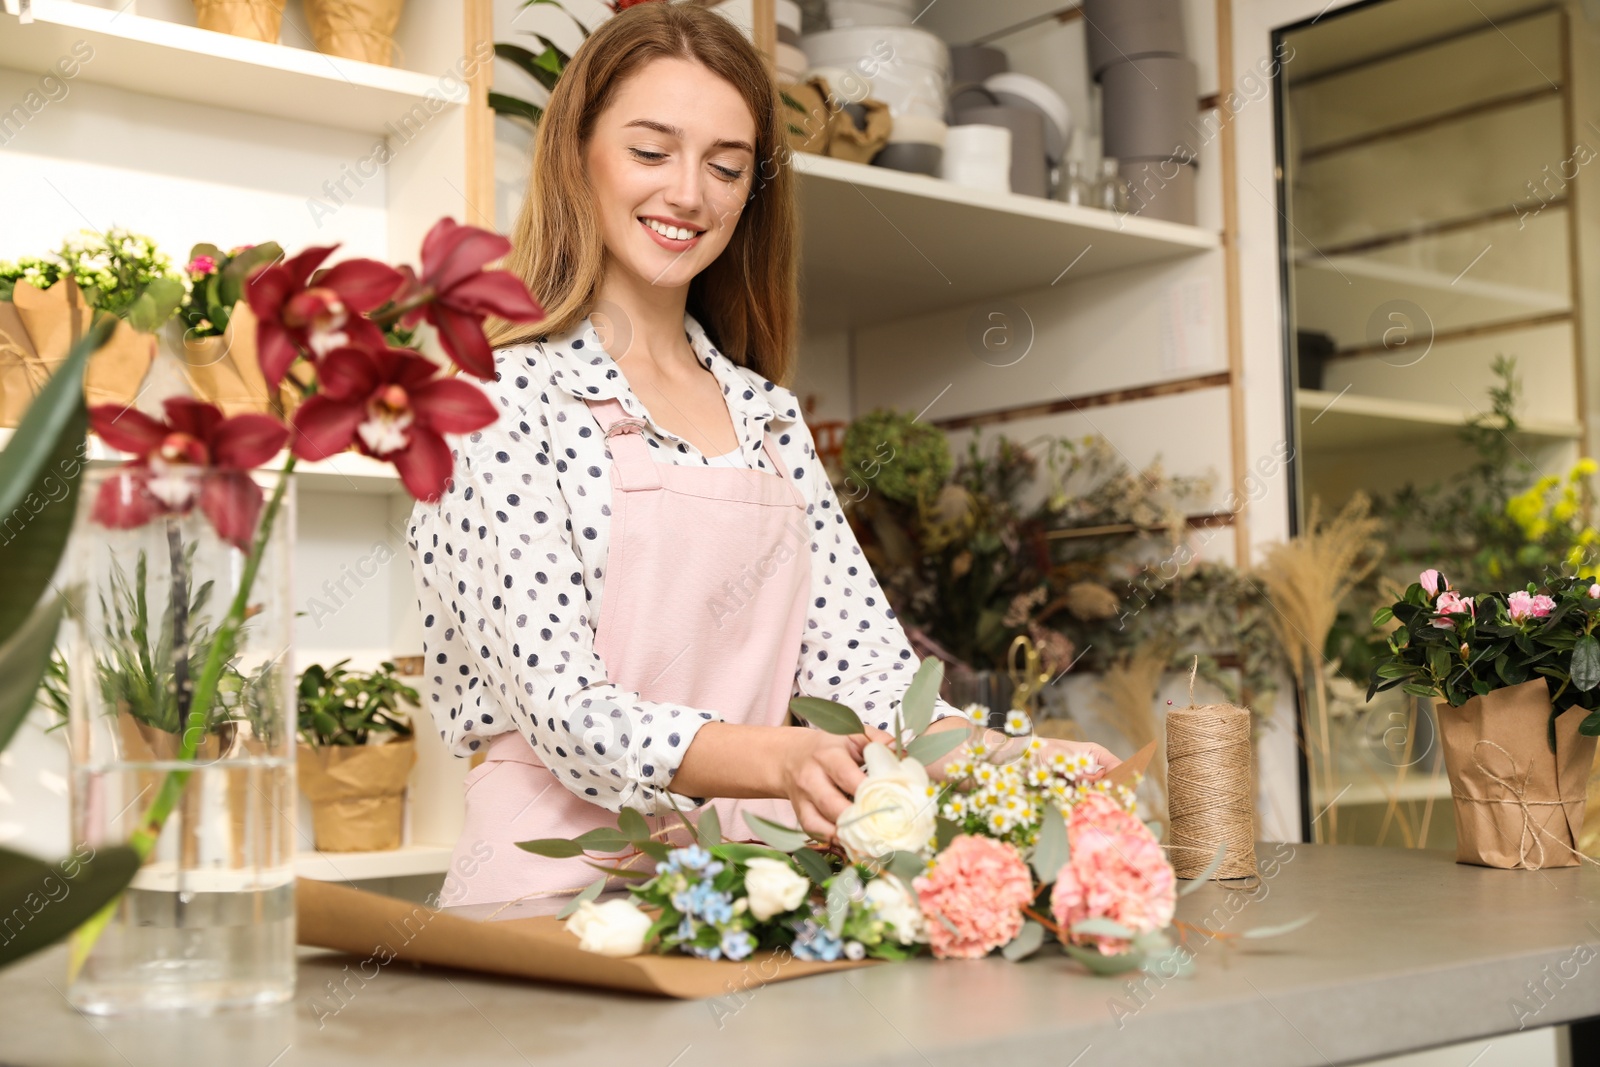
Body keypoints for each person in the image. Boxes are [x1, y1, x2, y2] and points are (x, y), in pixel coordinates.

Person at [408, 2, 1119, 913]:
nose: (689, 194)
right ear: (577, 155)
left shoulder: (767, 418)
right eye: (651, 151)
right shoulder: (498, 403)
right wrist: (781, 758)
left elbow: (869, 677)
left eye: (726, 165)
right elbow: (565, 711)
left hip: (735, 899)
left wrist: (1020, 756)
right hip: (541, 901)